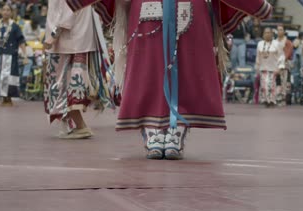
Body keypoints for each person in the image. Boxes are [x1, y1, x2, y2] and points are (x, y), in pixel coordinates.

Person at [66, 0, 273, 159]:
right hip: (149, 9)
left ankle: (178, 125)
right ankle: (151, 125)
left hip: (188, 11)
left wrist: (257, 5)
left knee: (189, 66)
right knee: (147, 66)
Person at [44, 0, 113, 139]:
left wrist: (54, 35)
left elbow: (68, 9)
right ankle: (73, 125)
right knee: (70, 83)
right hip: (78, 38)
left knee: (64, 84)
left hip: (69, 40)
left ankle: (80, 126)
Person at [0, 3, 28, 106]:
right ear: (1, 12)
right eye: (4, 10)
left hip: (11, 56)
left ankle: (9, 98)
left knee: (9, 78)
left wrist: (25, 55)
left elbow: (21, 41)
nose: (5, 12)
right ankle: (4, 98)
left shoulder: (15, 26)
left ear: (11, 12)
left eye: (8, 10)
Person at [256, 27, 284, 107]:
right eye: (266, 33)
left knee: (271, 85)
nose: (267, 34)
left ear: (272, 34)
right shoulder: (260, 44)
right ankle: (266, 100)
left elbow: (281, 56)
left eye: (269, 33)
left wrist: (280, 67)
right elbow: (258, 57)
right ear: (263, 34)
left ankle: (272, 101)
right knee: (264, 85)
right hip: (263, 68)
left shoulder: (277, 43)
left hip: (273, 68)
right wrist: (257, 67)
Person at [275, 24, 293, 106]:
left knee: (285, 82)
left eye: (281, 30)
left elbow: (288, 54)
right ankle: (276, 97)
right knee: (277, 81)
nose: (279, 31)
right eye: (278, 30)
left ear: (284, 31)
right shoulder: (274, 42)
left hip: (285, 64)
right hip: (275, 64)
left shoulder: (288, 42)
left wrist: (281, 62)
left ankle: (284, 98)